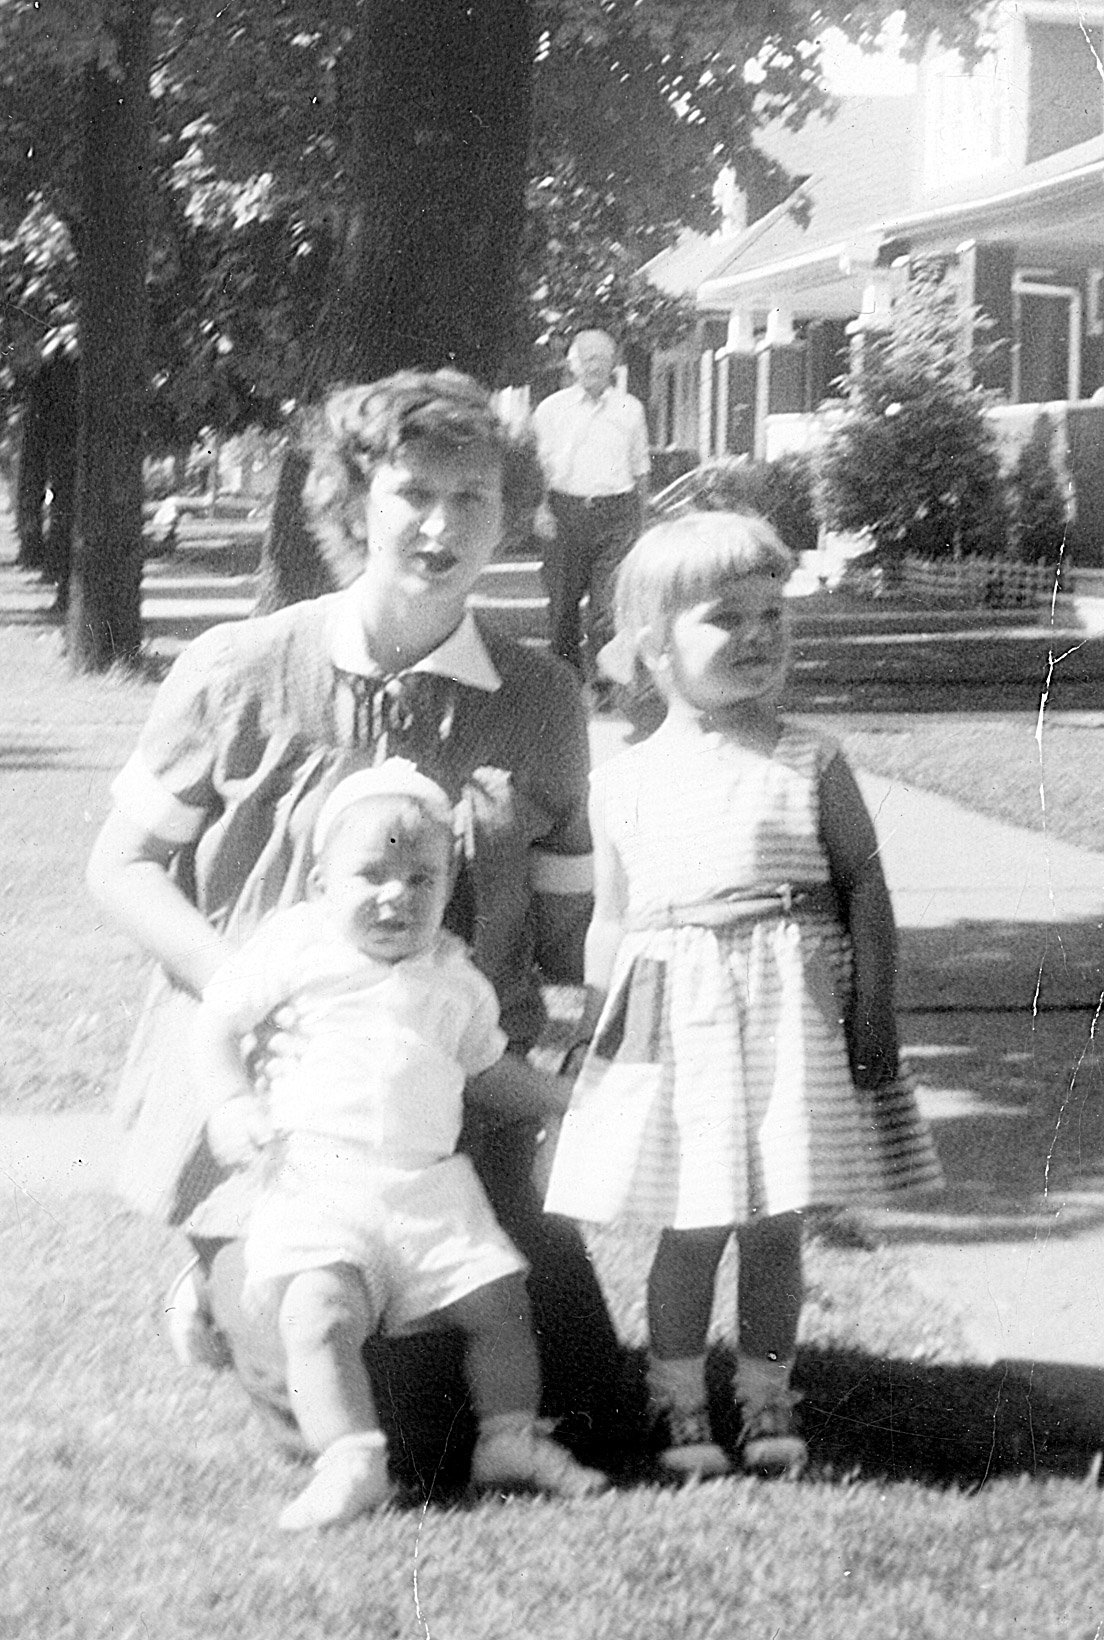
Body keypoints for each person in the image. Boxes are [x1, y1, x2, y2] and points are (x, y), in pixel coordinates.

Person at [86, 368, 626, 1477]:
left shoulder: (540, 697)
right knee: (405, 1447)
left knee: (591, 1413)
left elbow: (571, 935)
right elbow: (123, 865)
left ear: (511, 511)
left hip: (443, 1109)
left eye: (472, 497)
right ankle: (215, 1275)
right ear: (351, 503)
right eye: (411, 493)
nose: (440, 525)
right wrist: (257, 986)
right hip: (266, 1115)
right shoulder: (240, 669)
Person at [543, 511, 941, 1480]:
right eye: (728, 617)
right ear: (653, 646)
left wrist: (875, 1008)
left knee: (775, 1224)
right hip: (679, 1021)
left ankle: (766, 1391)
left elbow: (865, 887)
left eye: (776, 612)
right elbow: (617, 918)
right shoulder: (625, 778)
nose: (761, 635)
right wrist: (600, 1031)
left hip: (794, 1016)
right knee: (691, 1222)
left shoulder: (812, 757)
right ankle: (679, 1401)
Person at [194, 761, 606, 1527]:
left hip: (429, 1185)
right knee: (318, 1313)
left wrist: (563, 1095)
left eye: (422, 878)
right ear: (321, 884)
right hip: (320, 1177)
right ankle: (350, 1459)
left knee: (500, 1302)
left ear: (450, 889)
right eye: (372, 874)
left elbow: (487, 1072)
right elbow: (217, 1023)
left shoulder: (455, 980)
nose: (397, 895)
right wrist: (229, 1101)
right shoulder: (299, 950)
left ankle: (507, 1439)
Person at [531, 330, 651, 702]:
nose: (594, 364)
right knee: (563, 606)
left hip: (616, 515)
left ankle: (602, 683)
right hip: (564, 514)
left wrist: (639, 521)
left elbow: (640, 467)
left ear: (614, 362)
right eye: (585, 357)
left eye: (601, 356)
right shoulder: (551, 409)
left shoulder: (630, 409)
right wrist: (540, 509)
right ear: (571, 365)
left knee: (607, 608)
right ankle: (566, 682)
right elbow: (536, 467)